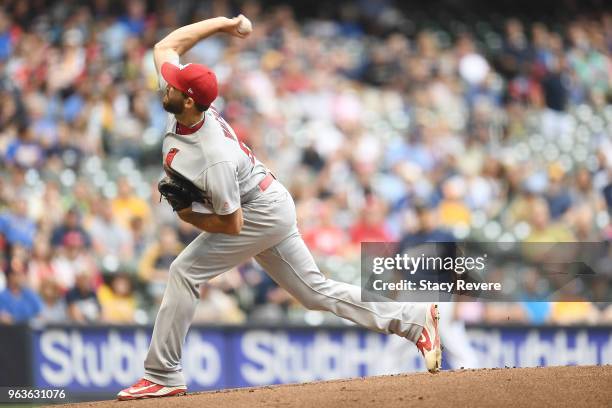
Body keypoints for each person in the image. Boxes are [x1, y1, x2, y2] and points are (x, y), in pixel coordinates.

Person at [118, 15, 441, 400]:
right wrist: (223, 23)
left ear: (188, 100)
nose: (163, 83)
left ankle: (162, 374)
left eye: (170, 84)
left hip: (257, 210)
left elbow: (234, 224)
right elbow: (165, 47)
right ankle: (414, 320)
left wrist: (189, 216)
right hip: (268, 198)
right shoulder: (185, 103)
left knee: (184, 272)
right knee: (312, 292)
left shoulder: (212, 155)